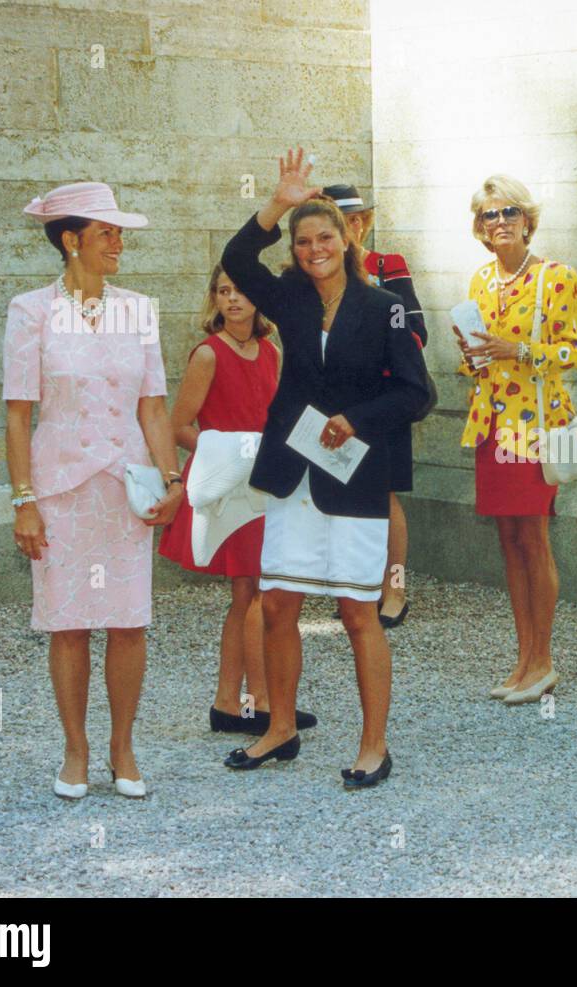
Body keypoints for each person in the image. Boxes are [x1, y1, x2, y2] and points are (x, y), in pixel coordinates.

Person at [219, 149, 430, 788]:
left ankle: (374, 746)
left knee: (357, 613)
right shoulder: (287, 299)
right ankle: (279, 728)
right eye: (303, 239)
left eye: (325, 237)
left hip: (355, 478)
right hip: (293, 475)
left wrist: (357, 418)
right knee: (278, 605)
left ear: (348, 239)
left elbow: (418, 394)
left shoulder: (384, 305)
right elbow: (235, 260)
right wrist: (278, 202)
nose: (314, 248)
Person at [5, 181, 183, 800]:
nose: (118, 241)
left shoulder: (137, 308)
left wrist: (173, 479)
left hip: (125, 488)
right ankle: (75, 750)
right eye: (106, 231)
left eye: (119, 231)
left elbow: (154, 407)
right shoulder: (30, 311)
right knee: (69, 622)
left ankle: (123, 747)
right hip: (59, 492)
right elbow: (18, 415)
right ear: (71, 239)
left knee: (128, 619)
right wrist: (22, 499)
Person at [157, 264, 317, 735]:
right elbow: (178, 425)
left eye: (241, 290)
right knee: (259, 592)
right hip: (230, 486)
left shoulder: (270, 351)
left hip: (263, 486)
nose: (232, 299)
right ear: (214, 299)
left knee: (250, 592)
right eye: (223, 291)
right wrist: (230, 452)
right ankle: (260, 703)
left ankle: (231, 703)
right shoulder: (207, 355)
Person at [452, 175, 577, 706]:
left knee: (533, 538)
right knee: (508, 541)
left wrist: (521, 350)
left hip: (533, 428)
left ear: (528, 221)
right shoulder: (481, 281)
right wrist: (473, 354)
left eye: (510, 212)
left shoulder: (556, 278)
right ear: (480, 229)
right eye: (490, 215)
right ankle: (523, 657)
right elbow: (481, 361)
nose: (501, 222)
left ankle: (544, 660)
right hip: (491, 424)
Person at [323, 183, 427, 628]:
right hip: (335, 400)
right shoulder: (316, 273)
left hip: (384, 398)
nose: (346, 230)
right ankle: (355, 584)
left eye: (351, 220)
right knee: (341, 490)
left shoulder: (387, 266)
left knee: (385, 494)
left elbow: (417, 331)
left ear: (361, 223)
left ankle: (395, 587)